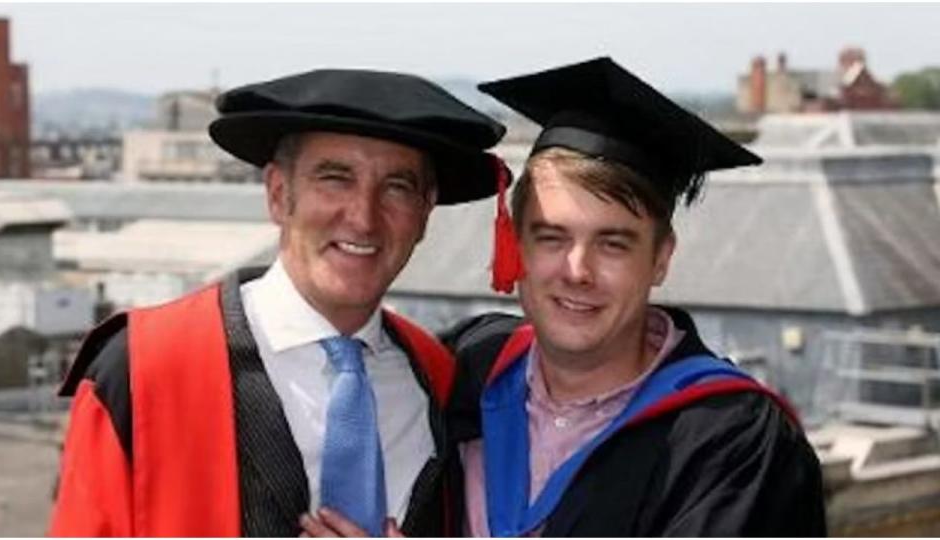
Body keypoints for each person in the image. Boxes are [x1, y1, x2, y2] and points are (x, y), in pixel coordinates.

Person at [48, 68, 509, 537]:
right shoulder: (142, 370)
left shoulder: (441, 379)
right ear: (277, 193)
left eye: (397, 187)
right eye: (335, 178)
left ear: (425, 213)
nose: (364, 217)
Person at [442, 57, 828, 536]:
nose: (577, 271)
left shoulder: (733, 442)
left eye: (613, 244)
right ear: (516, 243)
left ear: (661, 258)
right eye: (552, 237)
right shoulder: (468, 367)